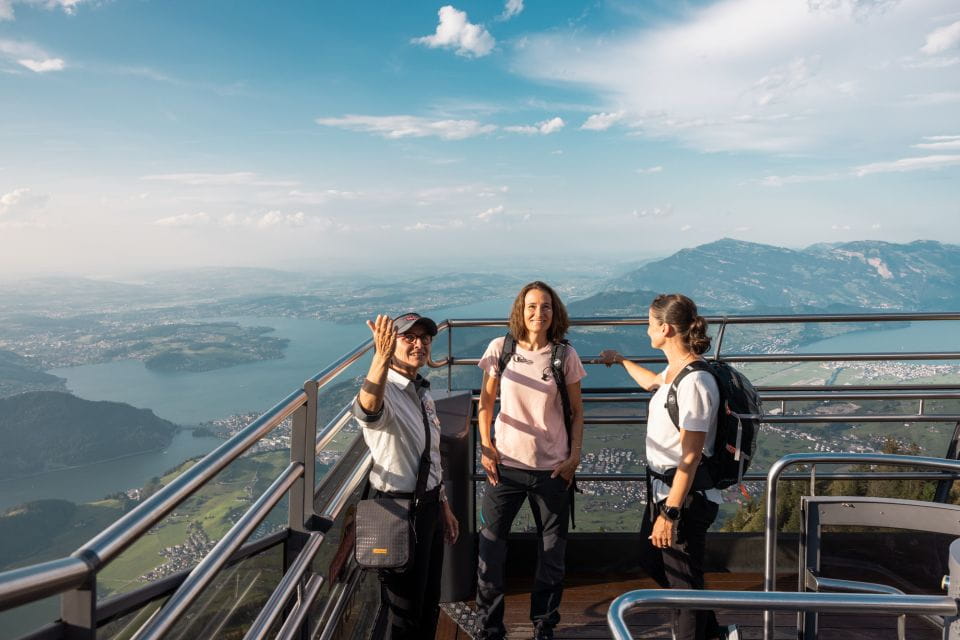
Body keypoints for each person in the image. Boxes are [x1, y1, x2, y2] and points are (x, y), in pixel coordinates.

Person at [600, 294, 740, 640]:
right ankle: (714, 632)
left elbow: (690, 456)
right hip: (666, 491)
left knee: (683, 587)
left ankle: (699, 632)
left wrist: (671, 513)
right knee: (654, 562)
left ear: (664, 328)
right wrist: (620, 360)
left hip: (684, 499)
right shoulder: (677, 370)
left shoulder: (695, 382)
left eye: (650, 323)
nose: (647, 329)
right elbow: (652, 383)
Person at [475, 281, 586, 640]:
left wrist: (574, 457)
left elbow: (578, 413)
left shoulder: (564, 356)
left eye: (547, 307)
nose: (539, 313)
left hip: (552, 469)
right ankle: (490, 627)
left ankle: (544, 626)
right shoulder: (500, 349)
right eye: (532, 307)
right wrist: (486, 445)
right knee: (490, 551)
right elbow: (485, 404)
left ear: (556, 313)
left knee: (552, 555)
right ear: (520, 312)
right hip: (504, 467)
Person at [352, 312, 460, 640]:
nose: (419, 344)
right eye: (408, 338)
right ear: (390, 344)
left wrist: (443, 504)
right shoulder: (388, 392)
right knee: (403, 613)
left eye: (424, 338)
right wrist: (380, 360)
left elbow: (428, 457)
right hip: (397, 513)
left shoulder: (421, 391)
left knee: (428, 601)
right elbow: (368, 408)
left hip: (427, 509)